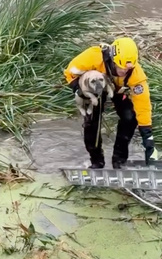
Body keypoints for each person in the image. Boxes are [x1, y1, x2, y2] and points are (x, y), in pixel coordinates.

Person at [64, 37, 155, 169]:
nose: (124, 71)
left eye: (127, 69)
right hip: (96, 87)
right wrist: (77, 89)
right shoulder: (94, 56)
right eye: (121, 68)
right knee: (92, 120)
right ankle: (96, 160)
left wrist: (148, 137)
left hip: (118, 91)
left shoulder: (136, 74)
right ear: (112, 58)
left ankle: (119, 160)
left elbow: (143, 105)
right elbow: (70, 72)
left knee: (130, 117)